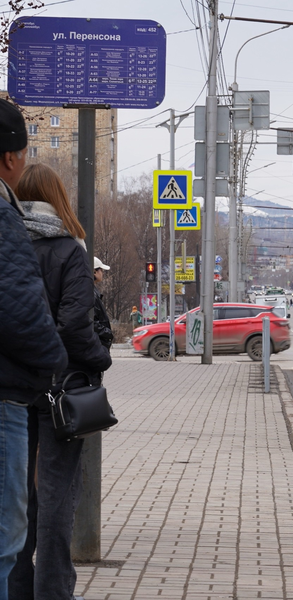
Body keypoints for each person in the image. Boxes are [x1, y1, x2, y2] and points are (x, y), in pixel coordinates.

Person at [9, 163, 112, 600]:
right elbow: (73, 325)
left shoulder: (7, 242)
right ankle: (53, 591)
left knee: (14, 496)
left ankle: (16, 587)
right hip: (61, 390)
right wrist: (98, 358)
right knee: (55, 495)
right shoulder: (70, 250)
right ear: (57, 198)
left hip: (12, 387)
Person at [0, 99, 68, 600]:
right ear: (10, 159)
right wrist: (56, 363)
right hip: (7, 396)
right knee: (6, 534)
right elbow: (22, 313)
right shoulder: (5, 218)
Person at [93, 257, 113, 350]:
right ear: (94, 272)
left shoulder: (93, 291)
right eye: (101, 270)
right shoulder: (90, 293)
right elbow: (92, 321)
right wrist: (107, 333)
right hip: (97, 343)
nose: (102, 273)